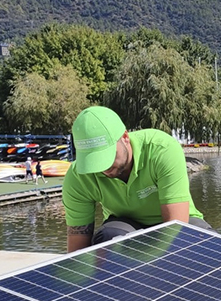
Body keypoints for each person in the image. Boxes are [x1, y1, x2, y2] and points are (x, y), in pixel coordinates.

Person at [62, 106, 211, 252]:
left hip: (179, 222)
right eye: (93, 161)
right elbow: (77, 251)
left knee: (206, 244)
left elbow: (176, 230)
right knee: (109, 237)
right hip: (125, 225)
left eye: (108, 156)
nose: (103, 169)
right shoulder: (78, 177)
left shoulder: (162, 150)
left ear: (125, 138)